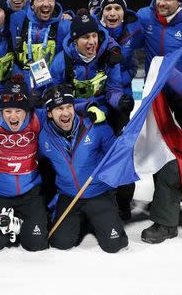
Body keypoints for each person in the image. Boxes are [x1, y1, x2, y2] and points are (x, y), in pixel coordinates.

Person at [137, 0, 182, 229]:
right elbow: (122, 28)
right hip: (156, 97)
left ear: (180, 0)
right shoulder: (146, 17)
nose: (161, 2)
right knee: (161, 149)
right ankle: (165, 202)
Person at [39, 85, 128, 253]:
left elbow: (115, 155)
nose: (65, 113)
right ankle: (84, 221)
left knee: (114, 245)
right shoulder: (44, 136)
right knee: (60, 243)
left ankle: (98, 218)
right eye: (59, 109)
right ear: (49, 113)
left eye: (69, 107)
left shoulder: (95, 126)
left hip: (97, 193)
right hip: (69, 195)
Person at [0, 74, 49, 252]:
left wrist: (90, 109)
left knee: (36, 245)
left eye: (18, 111)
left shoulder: (37, 118)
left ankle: (21, 221)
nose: (13, 116)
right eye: (8, 111)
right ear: (0, 110)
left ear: (27, 110)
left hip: (29, 193)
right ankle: (11, 221)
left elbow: (60, 110)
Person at [94, 0, 144, 220]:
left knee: (123, 149)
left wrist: (124, 80)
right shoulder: (94, 31)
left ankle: (123, 202)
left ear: (124, 13)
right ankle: (99, 197)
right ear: (102, 13)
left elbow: (134, 62)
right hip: (95, 99)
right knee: (97, 148)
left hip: (121, 98)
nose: (112, 12)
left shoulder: (134, 31)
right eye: (108, 8)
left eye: (117, 8)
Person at [50, 9, 129, 118]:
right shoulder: (60, 62)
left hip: (102, 109)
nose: (92, 42)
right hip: (73, 112)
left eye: (94, 35)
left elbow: (113, 89)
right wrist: (85, 108)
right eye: (85, 37)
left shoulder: (109, 57)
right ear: (75, 40)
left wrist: (119, 101)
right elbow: (56, 97)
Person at [10, 0, 71, 92]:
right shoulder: (17, 19)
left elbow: (87, 31)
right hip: (20, 90)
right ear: (32, 4)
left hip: (51, 91)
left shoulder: (64, 26)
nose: (46, 4)